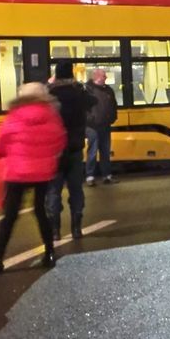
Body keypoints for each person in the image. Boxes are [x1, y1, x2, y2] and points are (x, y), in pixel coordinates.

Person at [0, 82, 65, 274]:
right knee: (40, 211)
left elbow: (2, 141)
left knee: (10, 215)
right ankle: (49, 253)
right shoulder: (51, 115)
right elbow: (59, 140)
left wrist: (1, 155)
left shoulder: (15, 115)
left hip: (16, 171)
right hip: (42, 172)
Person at [46, 60, 95, 240]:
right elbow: (93, 100)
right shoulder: (78, 92)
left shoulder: (50, 93)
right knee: (76, 189)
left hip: (54, 150)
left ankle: (55, 230)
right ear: (71, 73)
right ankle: (76, 228)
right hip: (74, 148)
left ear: (56, 74)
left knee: (53, 191)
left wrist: (49, 83)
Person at [85, 68, 118, 186]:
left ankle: (106, 176)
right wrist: (90, 120)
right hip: (92, 127)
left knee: (105, 152)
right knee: (93, 152)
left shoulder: (108, 90)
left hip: (105, 124)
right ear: (97, 76)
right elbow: (84, 109)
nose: (106, 78)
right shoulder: (88, 90)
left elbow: (113, 105)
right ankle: (90, 176)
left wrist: (112, 118)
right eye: (104, 76)